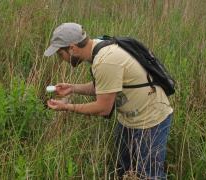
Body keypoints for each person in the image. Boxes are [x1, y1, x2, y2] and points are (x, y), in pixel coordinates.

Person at [44, 22, 173, 179]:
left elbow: (103, 107)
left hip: (151, 121)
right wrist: (72, 88)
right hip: (128, 120)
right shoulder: (98, 47)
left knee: (149, 175)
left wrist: (67, 107)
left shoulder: (105, 61)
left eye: (60, 53)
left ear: (72, 48)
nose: (60, 59)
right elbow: (107, 86)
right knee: (123, 171)